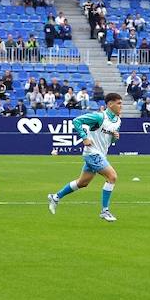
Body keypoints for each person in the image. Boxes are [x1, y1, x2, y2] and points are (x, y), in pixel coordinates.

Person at [47, 92, 123, 222]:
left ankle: (56, 197)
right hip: (92, 153)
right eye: (119, 103)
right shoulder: (99, 117)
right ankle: (105, 211)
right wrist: (84, 137)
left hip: (100, 154)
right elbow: (77, 121)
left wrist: (115, 138)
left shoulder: (118, 121)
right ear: (110, 104)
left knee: (82, 183)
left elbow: (111, 142)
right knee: (112, 177)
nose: (121, 106)